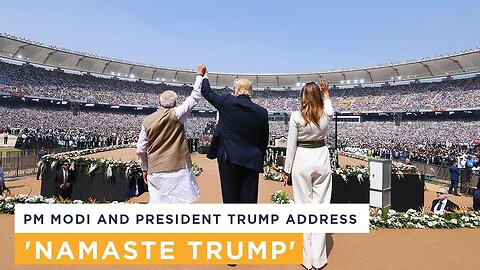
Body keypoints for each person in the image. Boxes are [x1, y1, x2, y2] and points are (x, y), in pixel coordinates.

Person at [283, 80, 334, 270]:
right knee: (320, 209)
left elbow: (291, 145)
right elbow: (328, 106)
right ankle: (319, 259)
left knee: (303, 209)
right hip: (321, 158)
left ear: (303, 97)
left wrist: (287, 170)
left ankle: (306, 258)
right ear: (318, 96)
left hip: (301, 161)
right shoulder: (326, 114)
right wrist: (326, 93)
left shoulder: (296, 116)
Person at [135, 64, 204, 204]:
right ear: (174, 104)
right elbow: (195, 96)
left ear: (159, 102)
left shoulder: (146, 121)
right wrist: (199, 75)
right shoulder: (178, 113)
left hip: (156, 170)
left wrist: (145, 168)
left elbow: (141, 149)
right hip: (179, 170)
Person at [201, 65, 269, 203]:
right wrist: (258, 156)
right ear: (251, 91)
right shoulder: (262, 112)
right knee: (249, 201)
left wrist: (204, 76)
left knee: (230, 199)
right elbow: (264, 140)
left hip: (229, 159)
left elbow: (206, 92)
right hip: (251, 160)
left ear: (236, 90)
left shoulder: (227, 102)